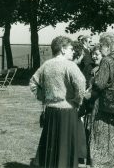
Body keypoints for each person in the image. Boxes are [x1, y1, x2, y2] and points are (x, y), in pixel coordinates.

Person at [30, 36, 86, 168]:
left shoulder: (46, 64)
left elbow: (33, 83)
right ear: (62, 49)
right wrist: (77, 101)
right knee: (65, 148)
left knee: (52, 147)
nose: (73, 52)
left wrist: (43, 98)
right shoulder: (70, 65)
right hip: (67, 111)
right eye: (71, 49)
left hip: (50, 110)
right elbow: (81, 83)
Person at [89, 32, 114, 168]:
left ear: (107, 46)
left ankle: (101, 164)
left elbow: (100, 84)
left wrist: (93, 80)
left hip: (104, 106)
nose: (100, 48)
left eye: (102, 45)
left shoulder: (106, 61)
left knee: (102, 137)